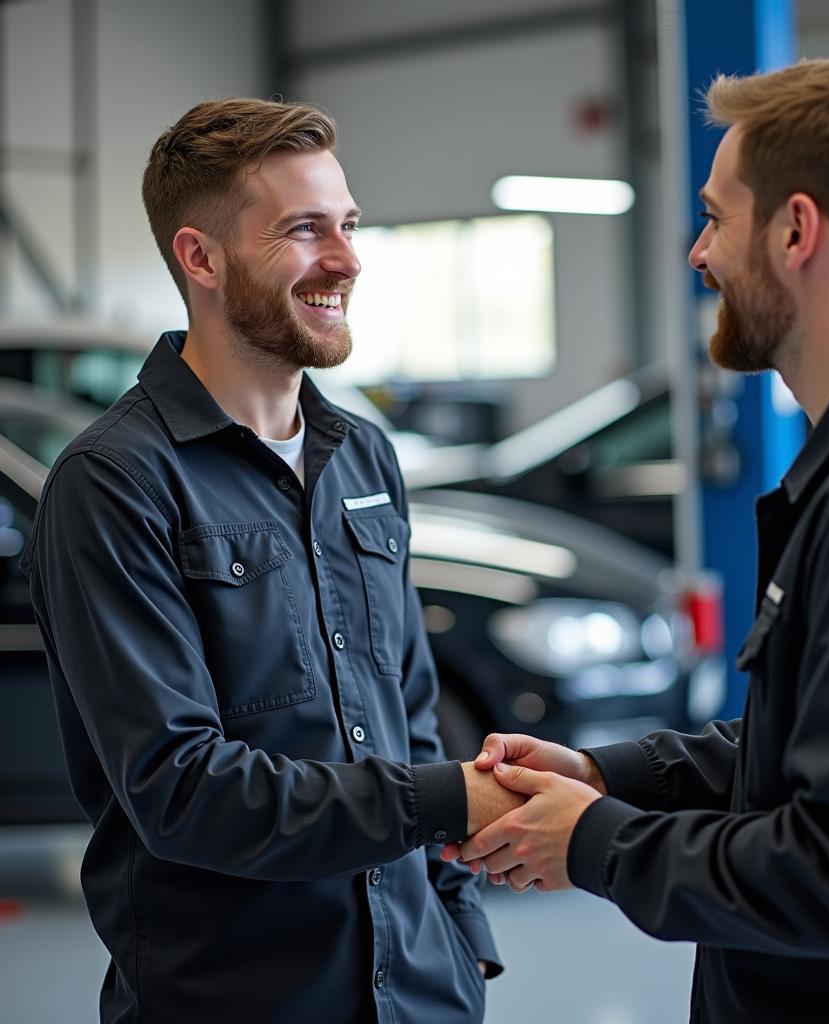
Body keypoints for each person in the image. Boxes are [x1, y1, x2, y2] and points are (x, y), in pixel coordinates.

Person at [448, 56, 829, 1022]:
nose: (698, 255)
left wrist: (596, 843)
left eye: (715, 217)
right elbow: (811, 752)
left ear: (796, 229)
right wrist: (606, 776)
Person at [20, 98, 523, 1024]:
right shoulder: (115, 484)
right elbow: (181, 788)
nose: (346, 259)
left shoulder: (364, 459)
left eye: (348, 225)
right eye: (303, 229)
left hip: (417, 996)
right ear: (200, 257)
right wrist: (457, 798)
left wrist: (462, 951)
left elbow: (409, 723)